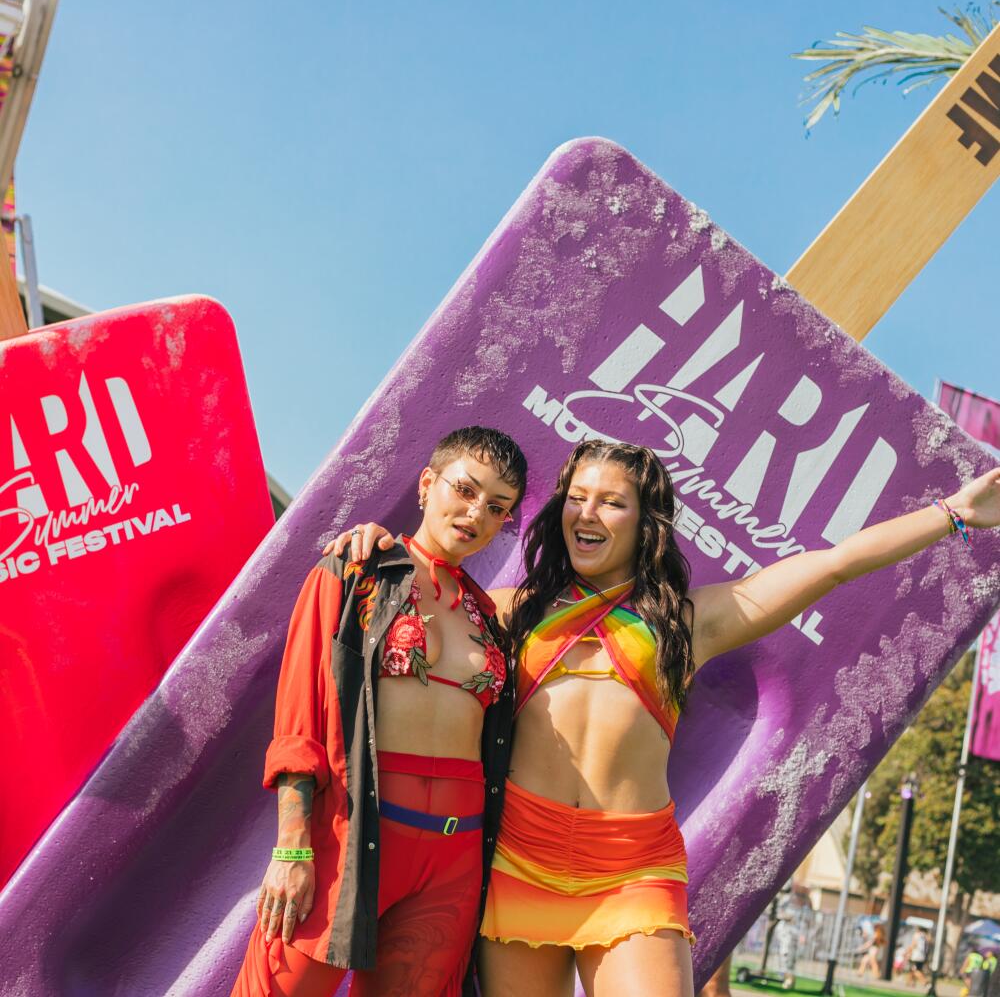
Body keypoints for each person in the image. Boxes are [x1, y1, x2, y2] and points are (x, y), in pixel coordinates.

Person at [331, 442, 1000, 997]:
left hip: (631, 872)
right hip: (519, 859)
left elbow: (833, 566)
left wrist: (956, 514)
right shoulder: (511, 610)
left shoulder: (689, 620)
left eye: (612, 501)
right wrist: (379, 545)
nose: (588, 513)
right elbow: (429, 577)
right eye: (579, 497)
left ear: (645, 522)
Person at [231, 426, 527, 997]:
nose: (475, 514)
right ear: (426, 484)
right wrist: (292, 848)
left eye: (497, 508)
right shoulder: (355, 570)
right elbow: (299, 724)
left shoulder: (490, 615)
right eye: (464, 491)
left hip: (453, 860)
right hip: (350, 842)